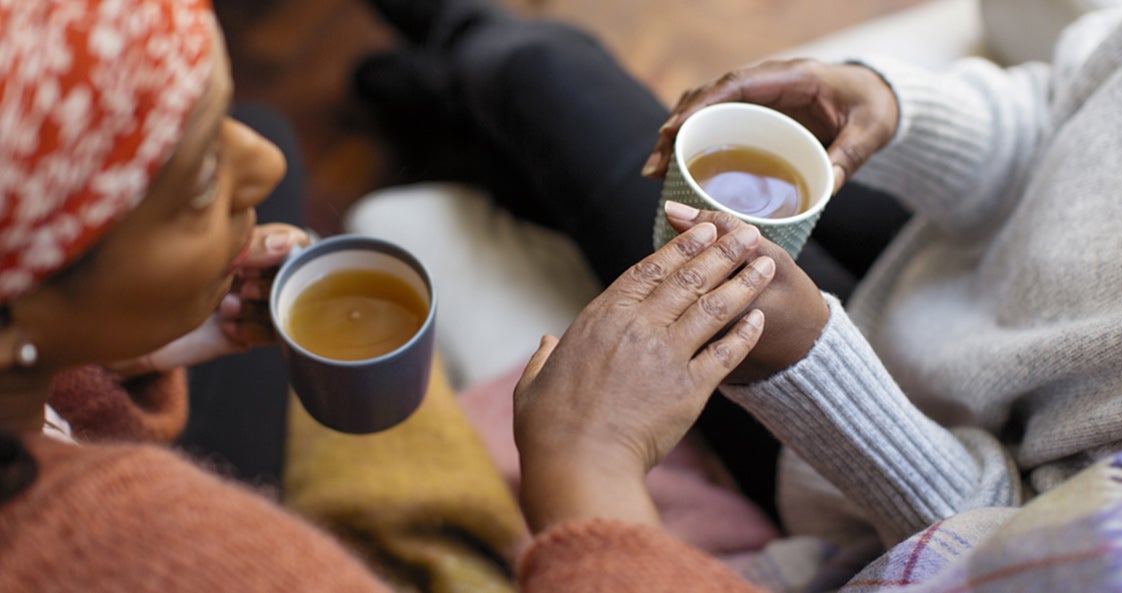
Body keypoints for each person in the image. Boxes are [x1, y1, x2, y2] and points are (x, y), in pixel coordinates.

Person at [347, 0, 1122, 590]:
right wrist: (899, 109)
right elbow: (1059, 111)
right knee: (543, 88)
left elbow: (986, 553)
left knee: (543, 76)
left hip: (870, 438)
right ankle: (449, 95)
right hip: (942, 251)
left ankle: (447, 81)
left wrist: (807, 363)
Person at [0, 1, 785, 591]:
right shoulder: (181, 554)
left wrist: (113, 354)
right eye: (201, 176)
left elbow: (45, 401)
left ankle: (424, 89)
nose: (267, 163)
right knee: (535, 68)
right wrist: (591, 475)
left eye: (222, 118)